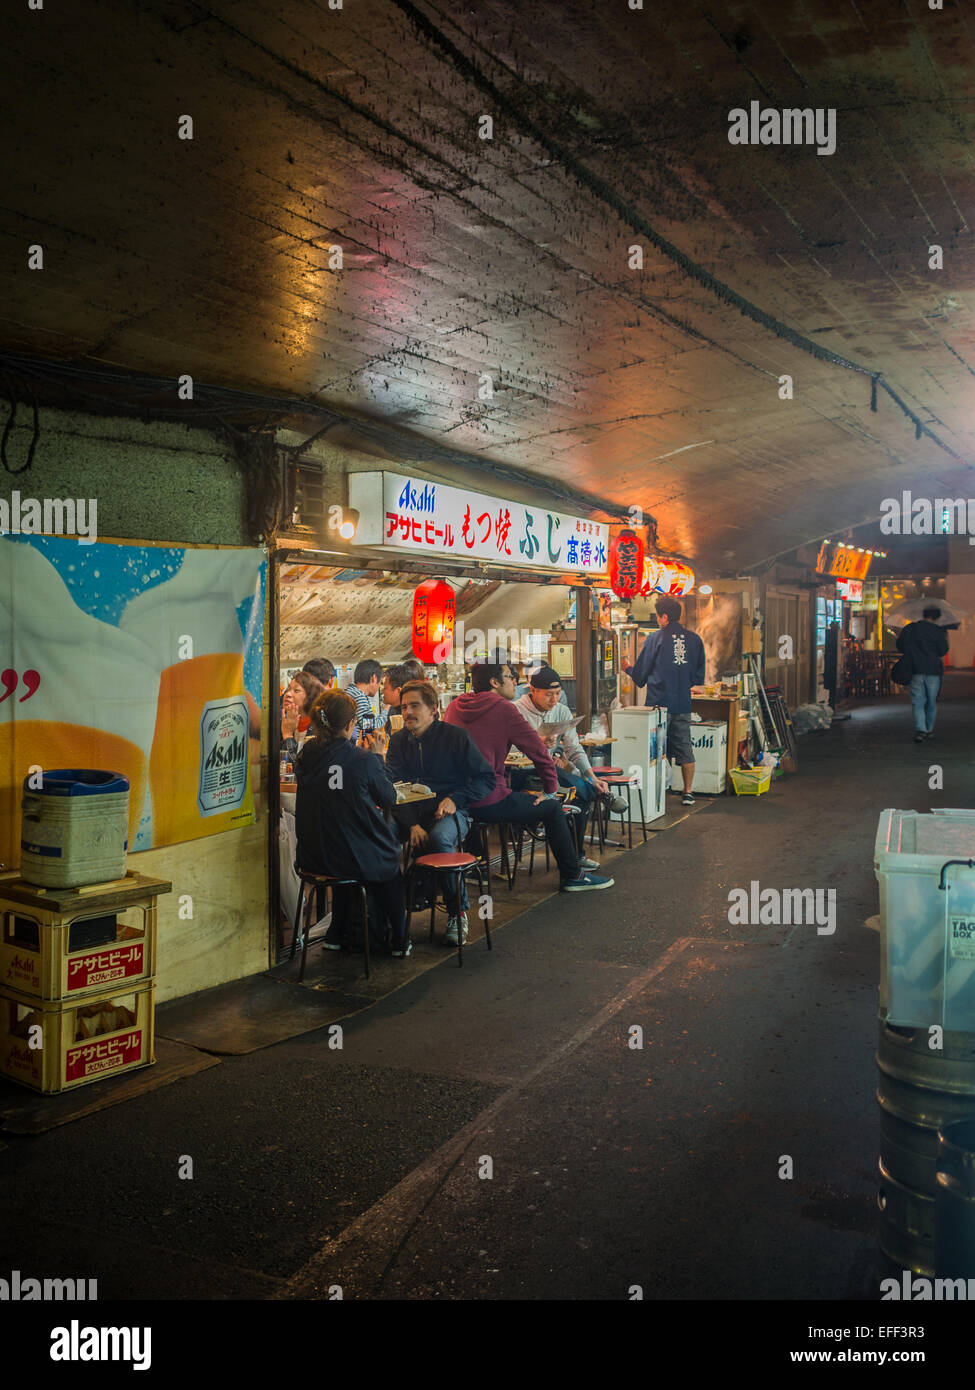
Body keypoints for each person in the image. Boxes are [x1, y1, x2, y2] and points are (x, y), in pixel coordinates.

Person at [444, 660, 613, 893]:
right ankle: (573, 875)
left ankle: (478, 867)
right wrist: (550, 790)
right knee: (552, 808)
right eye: (509, 675)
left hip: (454, 800)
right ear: (494, 682)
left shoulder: (454, 706)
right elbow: (538, 752)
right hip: (489, 799)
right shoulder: (505, 709)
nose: (515, 680)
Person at [295, 690, 412, 957]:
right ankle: (400, 941)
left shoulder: (306, 755)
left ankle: (336, 935)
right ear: (350, 724)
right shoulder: (363, 760)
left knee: (346, 851)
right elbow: (389, 797)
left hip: (311, 858)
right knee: (391, 868)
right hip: (350, 859)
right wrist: (379, 756)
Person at [386, 680, 495, 946]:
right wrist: (411, 824)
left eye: (415, 706)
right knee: (381, 834)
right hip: (409, 814)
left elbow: (486, 779)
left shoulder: (456, 737)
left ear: (434, 709)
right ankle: (389, 913)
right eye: (404, 707)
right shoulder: (398, 741)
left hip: (449, 811)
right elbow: (392, 788)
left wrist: (455, 800)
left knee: (439, 839)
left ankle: (457, 910)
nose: (408, 713)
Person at [513, 665, 628, 856]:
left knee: (580, 799)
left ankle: (576, 856)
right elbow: (509, 750)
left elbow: (574, 749)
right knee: (578, 791)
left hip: (549, 772)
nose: (554, 699)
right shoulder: (515, 711)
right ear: (532, 690)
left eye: (558, 693)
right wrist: (537, 742)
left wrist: (592, 776)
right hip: (524, 773)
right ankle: (599, 795)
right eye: (549, 694)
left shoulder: (562, 711)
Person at [626, 595, 705, 807]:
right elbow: (698, 678)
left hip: (658, 705)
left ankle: (658, 791)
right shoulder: (695, 639)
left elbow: (640, 675)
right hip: (682, 704)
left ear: (664, 617)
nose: (658, 621)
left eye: (659, 616)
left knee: (656, 749)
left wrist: (626, 667)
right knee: (684, 746)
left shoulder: (655, 639)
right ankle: (688, 792)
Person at [896, 607, 949, 743]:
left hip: (914, 668)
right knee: (931, 701)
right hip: (933, 670)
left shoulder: (910, 628)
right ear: (936, 617)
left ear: (923, 615)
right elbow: (943, 650)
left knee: (918, 701)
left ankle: (921, 730)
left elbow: (900, 646)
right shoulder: (938, 631)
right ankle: (929, 730)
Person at [281, 671, 325, 764]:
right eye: (288, 689)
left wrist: (288, 735)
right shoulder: (284, 720)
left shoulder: (319, 728)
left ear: (310, 696)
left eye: (296, 691)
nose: (288, 694)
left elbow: (300, 768)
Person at [344, 659, 383, 741]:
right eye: (380, 683)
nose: (379, 687)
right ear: (374, 678)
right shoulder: (359, 696)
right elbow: (370, 727)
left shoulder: (350, 692)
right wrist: (387, 709)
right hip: (353, 747)